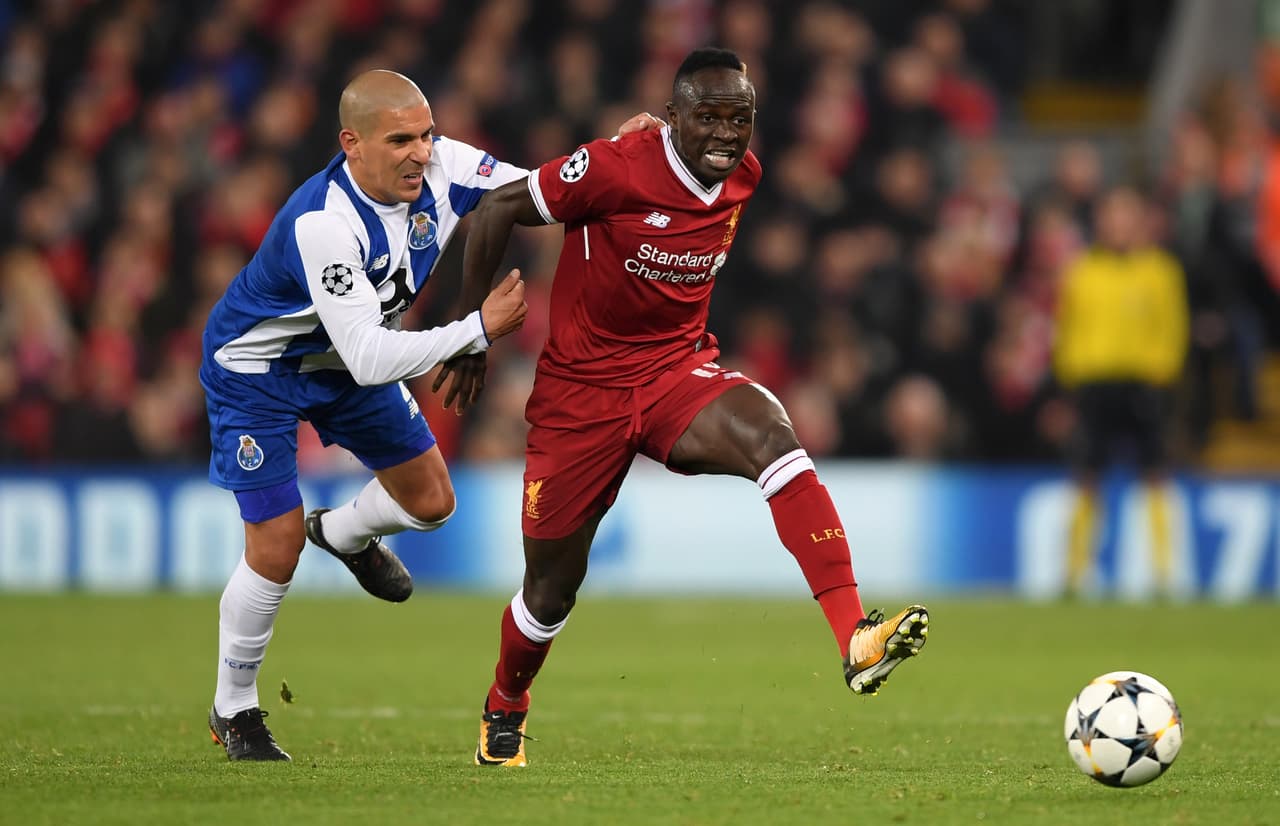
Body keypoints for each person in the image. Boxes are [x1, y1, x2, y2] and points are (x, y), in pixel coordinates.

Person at [445, 47, 930, 768]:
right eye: (708, 117)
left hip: (675, 372)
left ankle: (854, 636)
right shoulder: (613, 168)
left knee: (773, 437)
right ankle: (505, 701)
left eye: (741, 118)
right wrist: (470, 332)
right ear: (673, 117)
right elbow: (497, 207)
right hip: (581, 395)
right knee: (549, 590)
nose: (726, 134)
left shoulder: (745, 175)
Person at [199, 69, 660, 761]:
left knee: (433, 502)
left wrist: (621, 156)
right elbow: (368, 357)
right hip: (261, 371)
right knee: (275, 544)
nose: (421, 153)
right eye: (400, 141)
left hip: (345, 362)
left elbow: (547, 194)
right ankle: (234, 708)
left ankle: (344, 534)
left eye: (426, 135)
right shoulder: (324, 223)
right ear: (351, 144)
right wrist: (477, 330)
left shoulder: (448, 166)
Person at [1053, 185, 1190, 597]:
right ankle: (1075, 573)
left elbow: (1172, 329)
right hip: (1094, 384)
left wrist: (1161, 372)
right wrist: (1071, 374)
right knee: (1086, 475)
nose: (1119, 224)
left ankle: (1165, 574)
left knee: (1155, 473)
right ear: (1101, 221)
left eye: (1127, 215)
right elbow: (1067, 329)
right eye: (1112, 215)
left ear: (1140, 221)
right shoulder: (1081, 271)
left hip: (1143, 383)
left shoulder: (1161, 271)